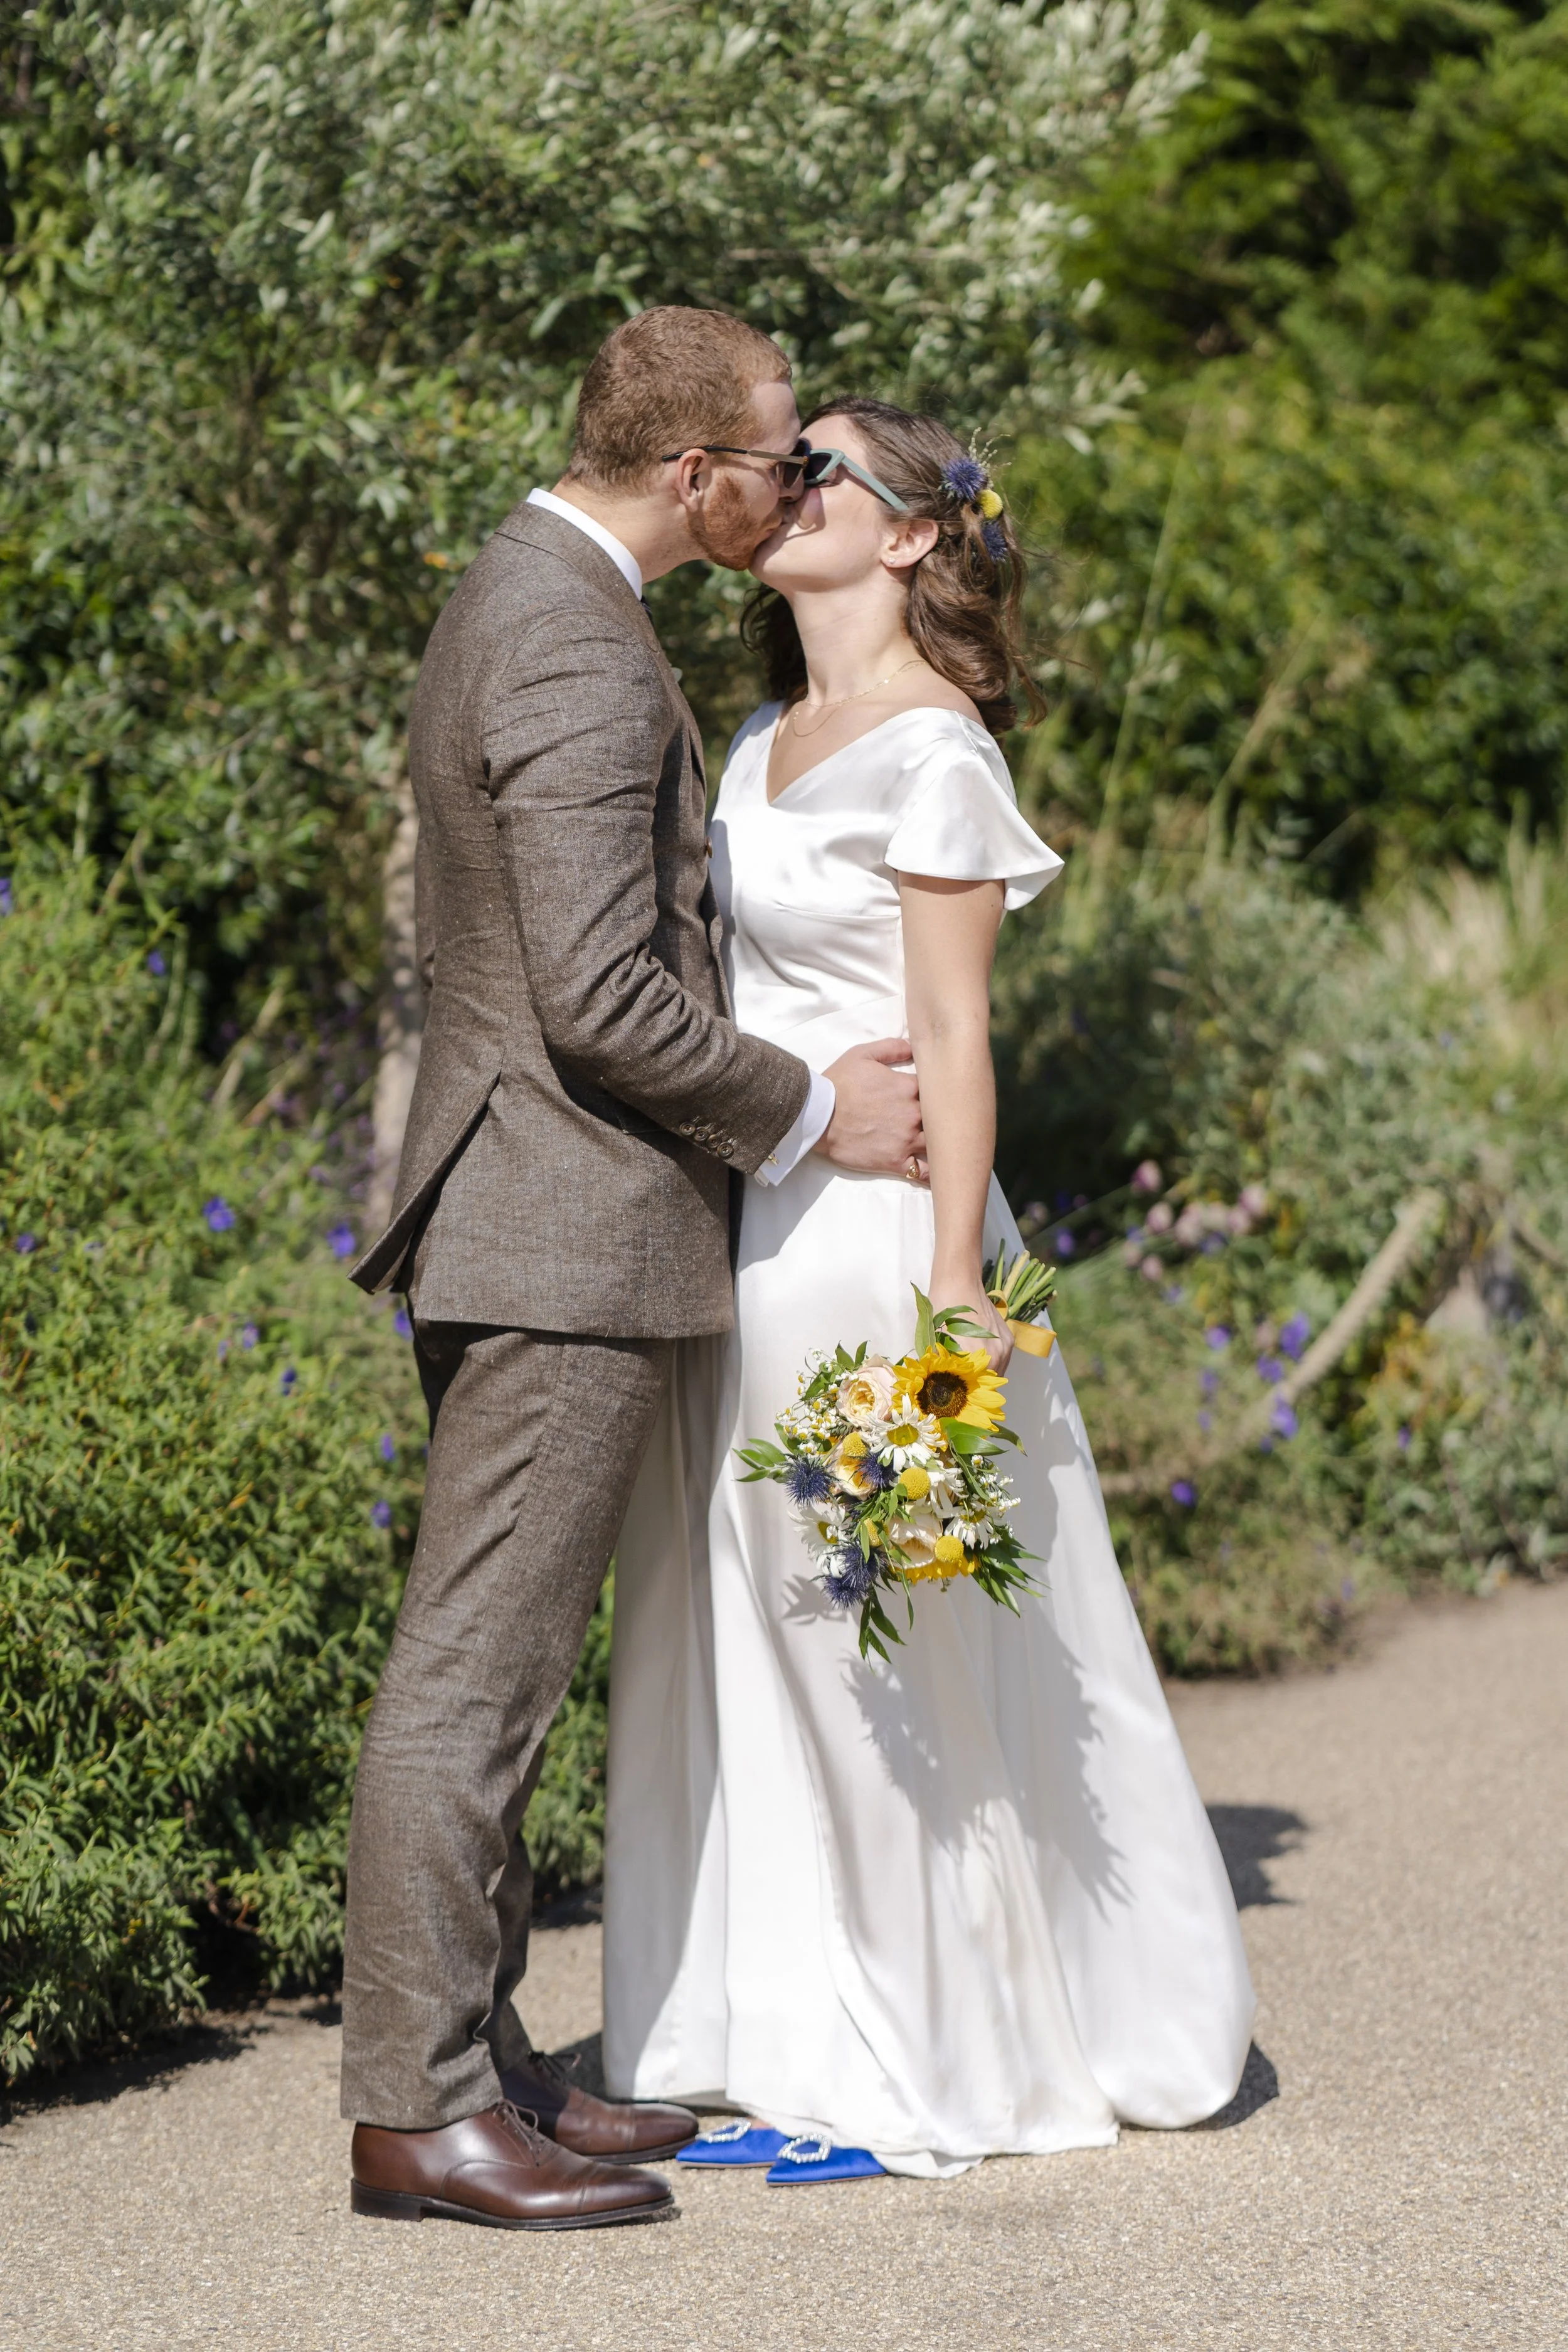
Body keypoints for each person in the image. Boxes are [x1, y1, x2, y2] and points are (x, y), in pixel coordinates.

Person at [602, 399, 1256, 2179]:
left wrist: (958, 1294)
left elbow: (958, 1036)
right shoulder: (754, 741)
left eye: (823, 471)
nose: (788, 488)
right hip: (761, 1225)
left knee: (873, 1639)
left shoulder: (935, 751)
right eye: (786, 465)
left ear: (907, 536)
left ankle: (945, 2070)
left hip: (888, 1253)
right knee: (763, 1637)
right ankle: (801, 2042)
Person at [341, 316, 926, 2231]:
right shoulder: (583, 647)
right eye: (774, 455)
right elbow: (598, 997)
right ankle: (421, 2109)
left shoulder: (522, 586)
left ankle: (490, 2060)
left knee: (494, 1669)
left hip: (526, 1205)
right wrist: (802, 1114)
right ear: (695, 477)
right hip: (563, 1221)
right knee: (474, 1680)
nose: (788, 486)